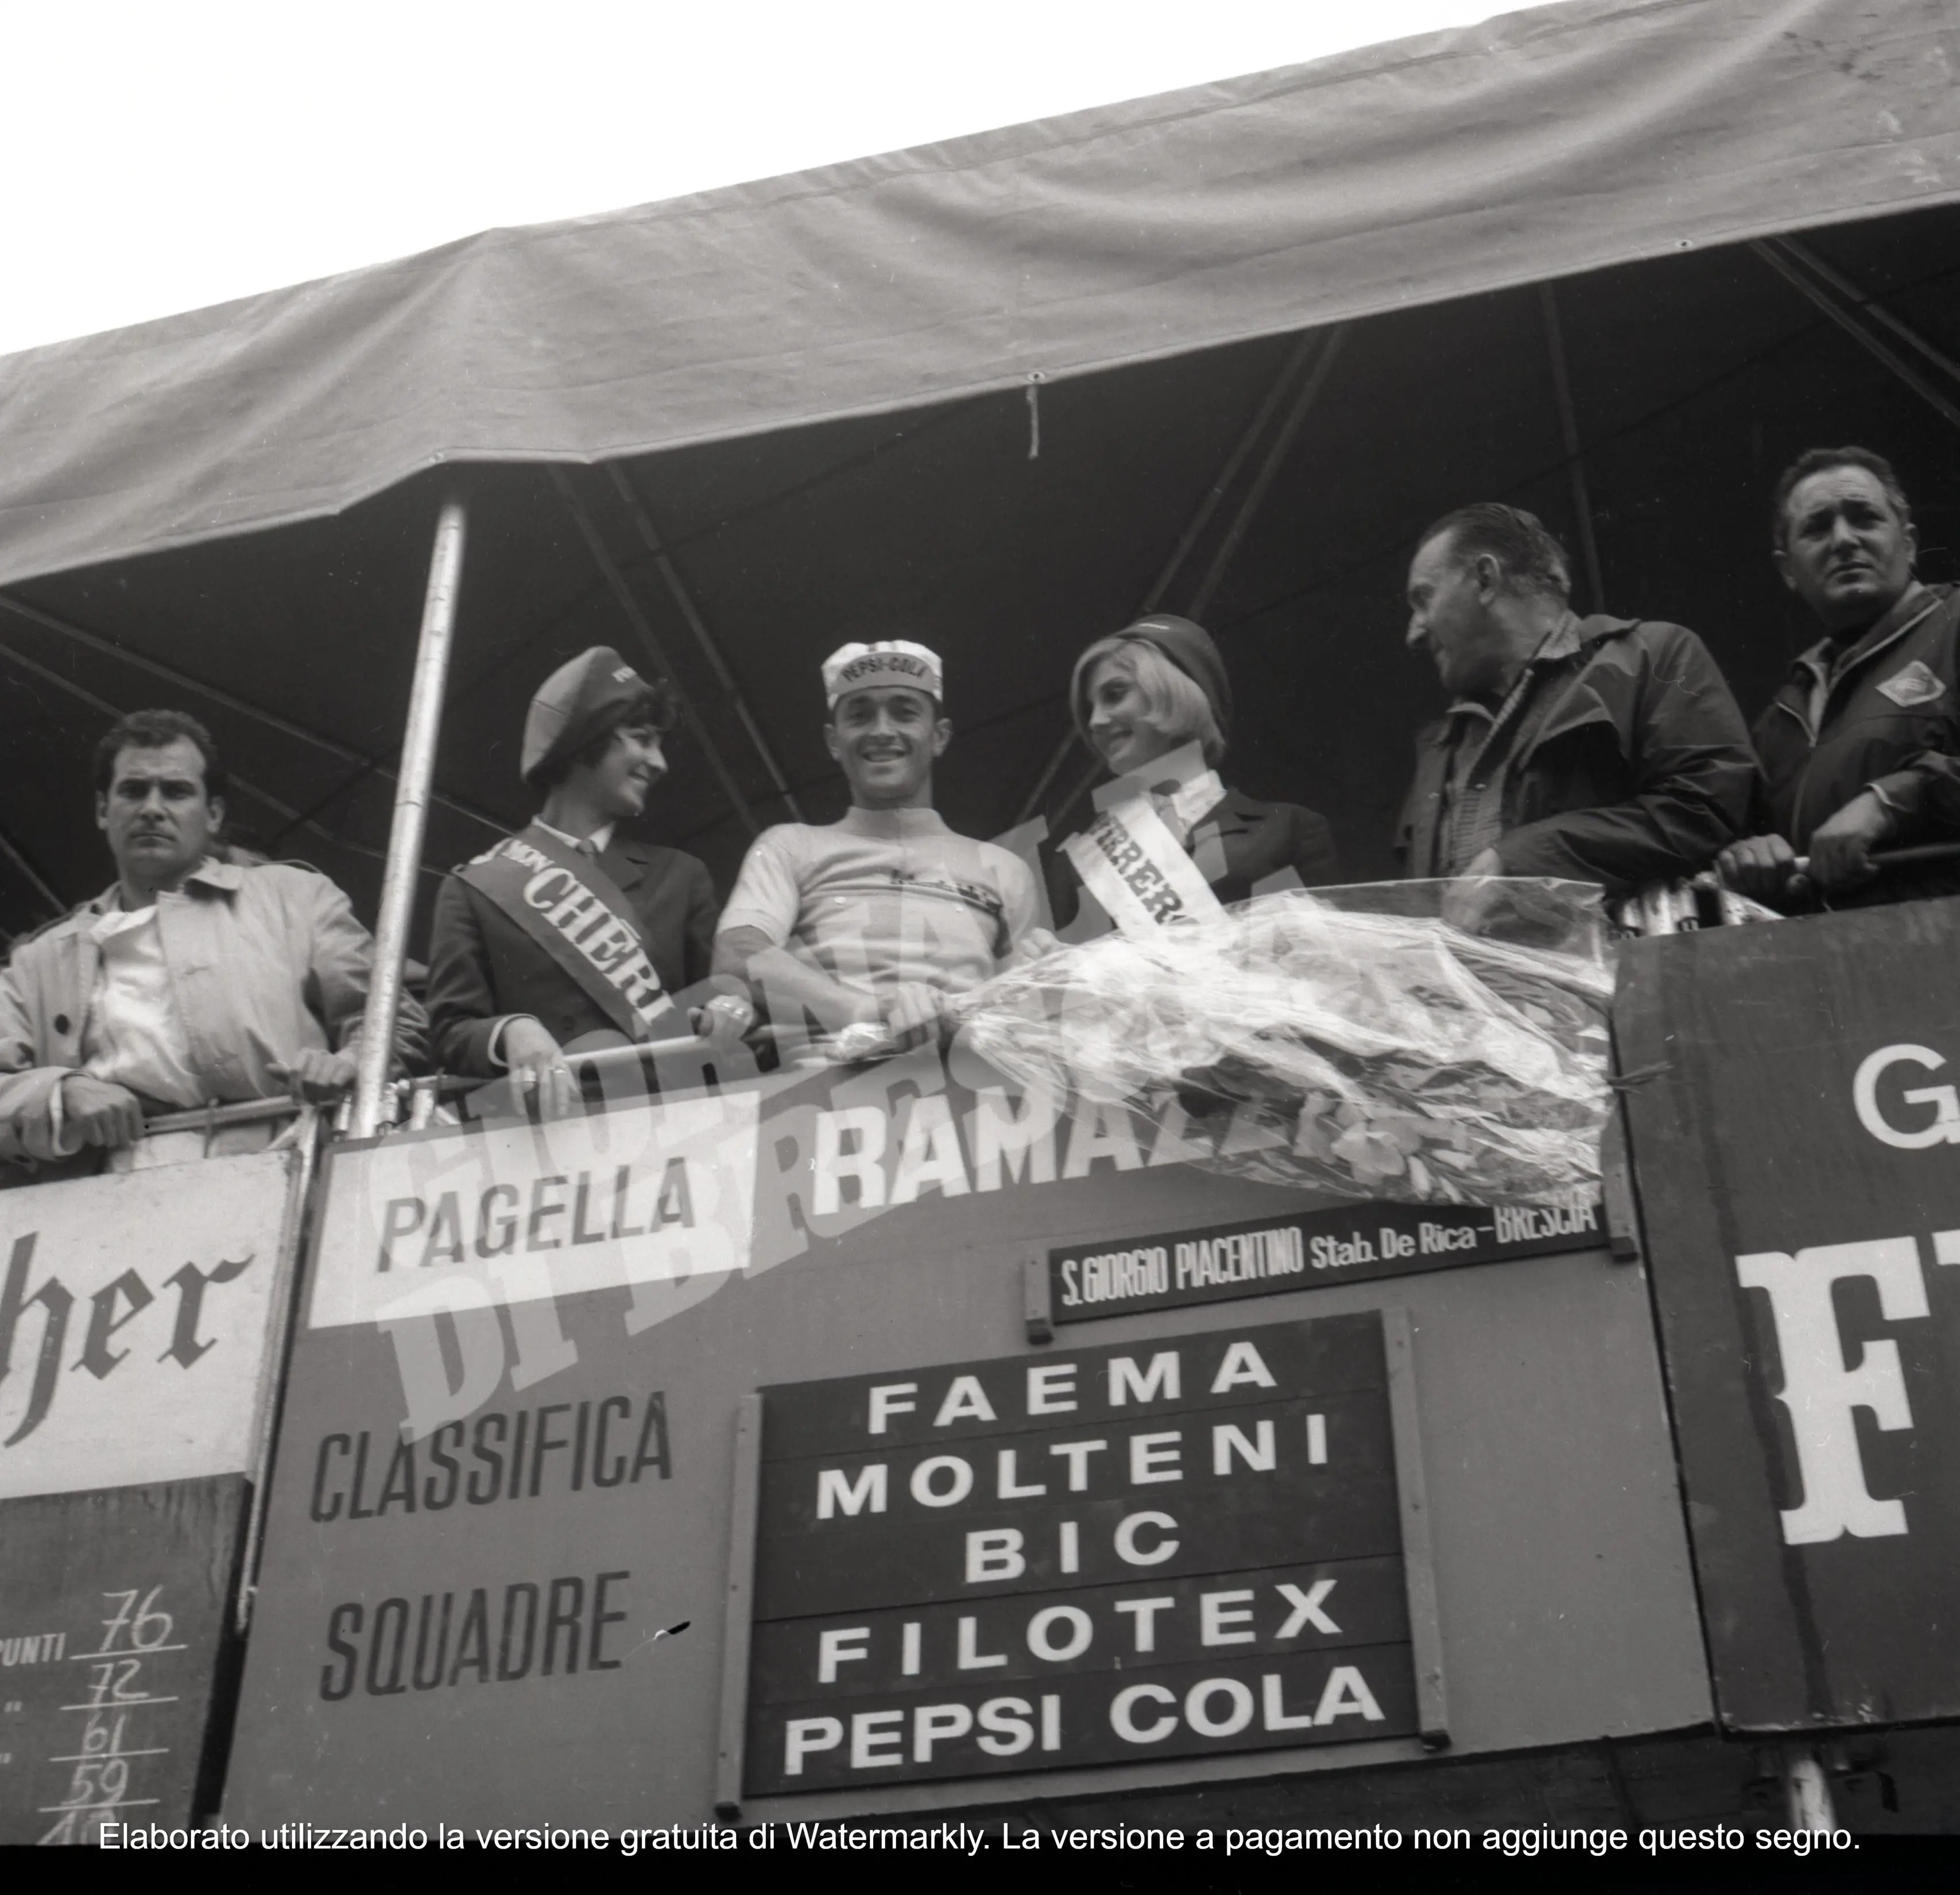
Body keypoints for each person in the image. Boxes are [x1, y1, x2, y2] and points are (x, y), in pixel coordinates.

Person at [0, 710, 425, 1170]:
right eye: (134, 790)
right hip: (106, 1197)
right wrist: (59, 1092)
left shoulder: (295, 900)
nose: (152, 808)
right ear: (103, 810)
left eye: (177, 791)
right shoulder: (37, 961)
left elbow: (392, 1017)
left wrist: (350, 1060)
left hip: (285, 1165)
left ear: (214, 814)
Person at [425, 647, 749, 1116]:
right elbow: (450, 1032)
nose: (659, 762)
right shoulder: (475, 888)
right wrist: (512, 1030)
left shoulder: (682, 877)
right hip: (539, 1144)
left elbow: (723, 995)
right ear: (584, 740)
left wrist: (729, 1011)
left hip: (671, 1129)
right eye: (640, 738)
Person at [1395, 502, 1755, 896]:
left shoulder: (1655, 656)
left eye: (1423, 599)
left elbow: (1708, 812)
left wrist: (1519, 862)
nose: (1413, 633)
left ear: (1485, 579)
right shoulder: (1437, 748)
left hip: (1630, 957)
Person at [714, 640, 1039, 1057]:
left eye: (904, 712)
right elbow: (737, 954)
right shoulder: (788, 845)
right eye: (860, 715)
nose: (882, 730)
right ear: (834, 741)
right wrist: (863, 1010)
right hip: (820, 1097)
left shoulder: (1005, 868)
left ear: (939, 736)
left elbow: (1022, 1015)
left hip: (969, 1094)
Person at [1719, 447, 1960, 909]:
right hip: (1839, 966)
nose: (1843, 539)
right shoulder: (1779, 721)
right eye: (1817, 527)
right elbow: (1758, 852)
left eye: (1864, 517)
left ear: (1908, 543)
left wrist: (1890, 803)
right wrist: (1752, 858)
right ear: (1788, 569)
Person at [1049, 613, 1341, 931]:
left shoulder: (1290, 829)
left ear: (1173, 692)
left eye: (1115, 694)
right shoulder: (1082, 863)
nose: (1095, 722)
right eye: (1090, 708)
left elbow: (1329, 967)